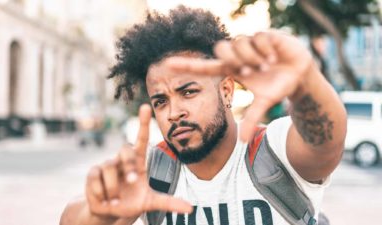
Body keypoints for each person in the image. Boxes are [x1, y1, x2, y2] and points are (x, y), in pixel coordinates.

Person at [60, 6, 347, 225]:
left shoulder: (273, 152)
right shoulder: (152, 172)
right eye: (160, 101)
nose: (174, 113)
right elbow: (74, 217)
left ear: (226, 91)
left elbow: (326, 141)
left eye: (188, 92)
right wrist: (100, 215)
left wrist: (305, 82)